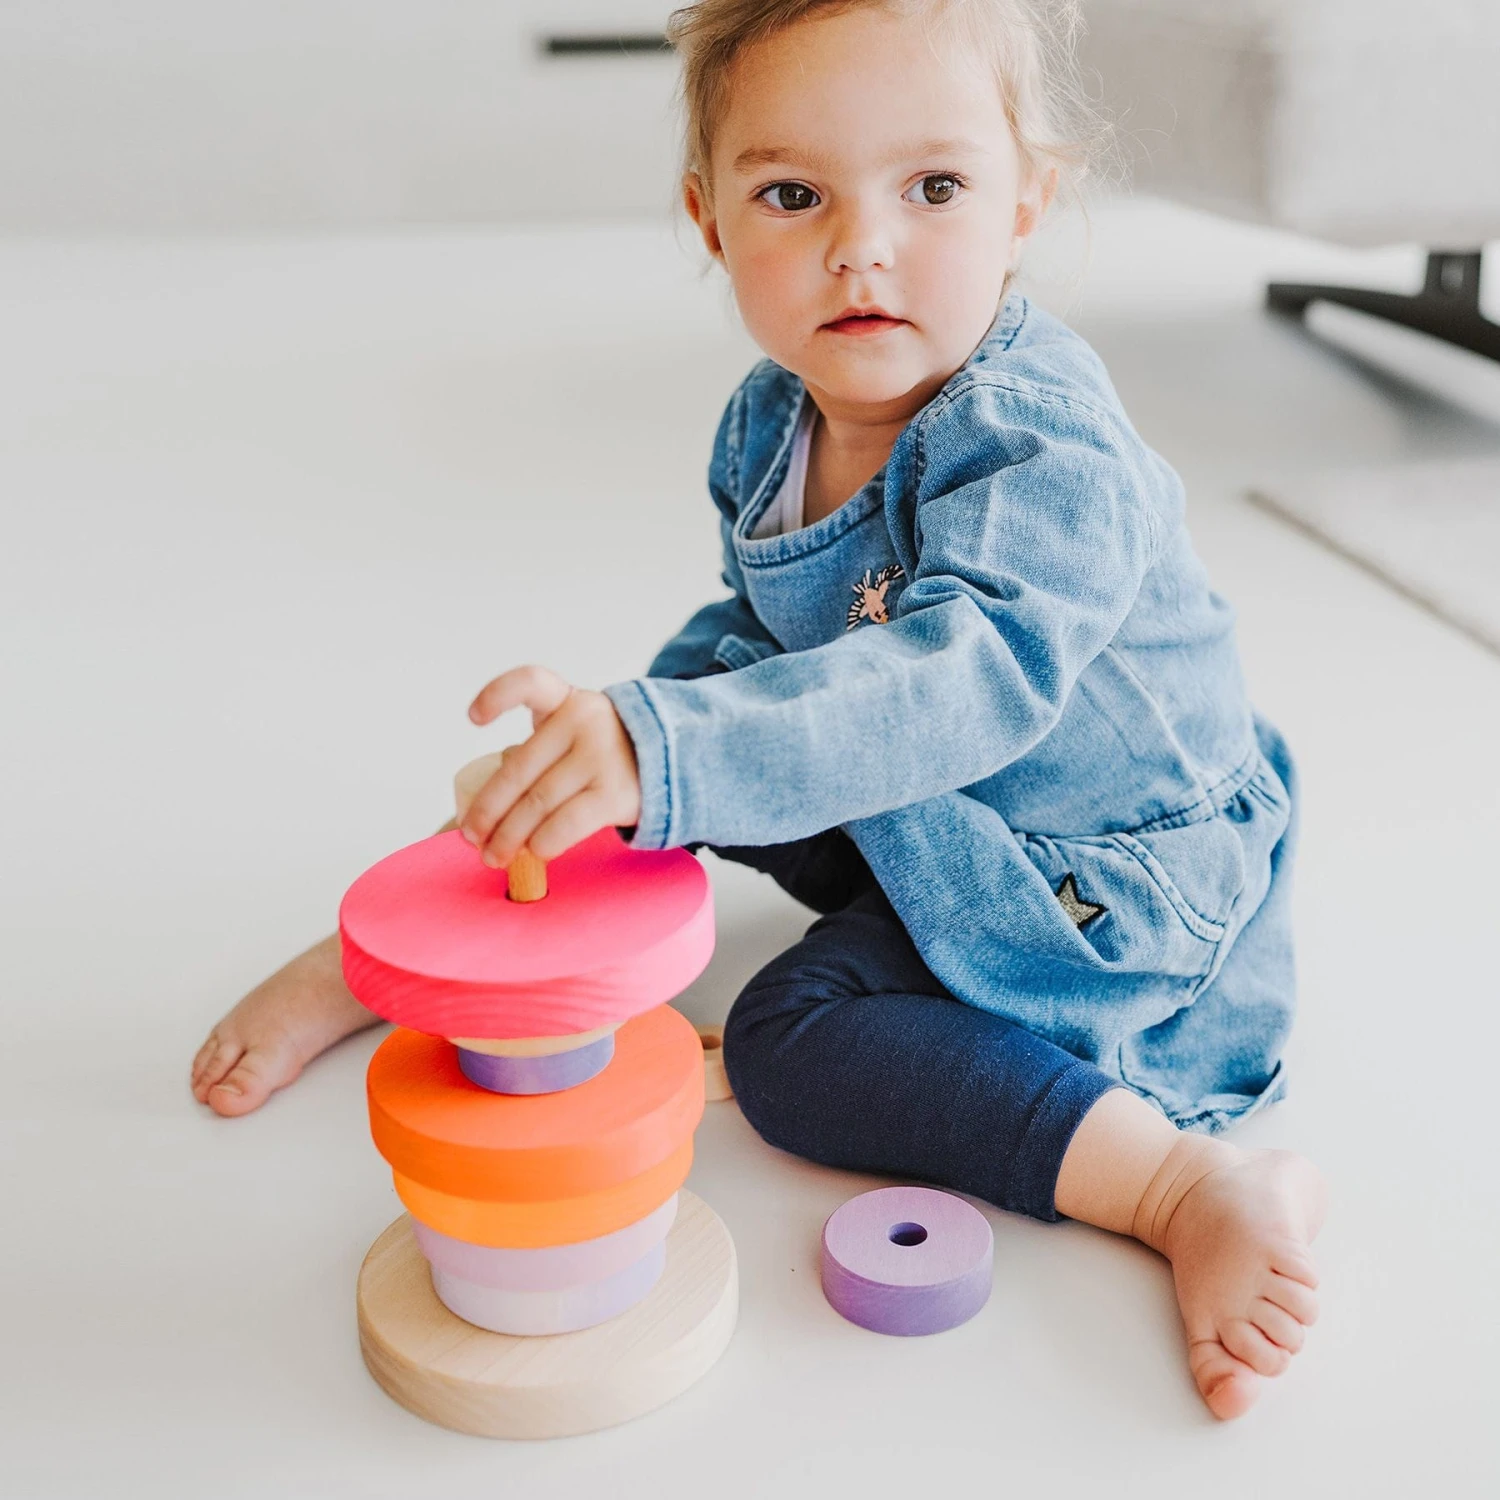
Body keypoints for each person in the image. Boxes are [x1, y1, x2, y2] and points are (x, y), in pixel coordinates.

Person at [192, 0, 1323, 1421]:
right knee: (672, 728)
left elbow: (968, 677)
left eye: (934, 189)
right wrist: (608, 747)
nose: (862, 247)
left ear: (1027, 202)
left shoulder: (1044, 442)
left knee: (792, 1032)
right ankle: (432, 937)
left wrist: (662, 748)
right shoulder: (768, 425)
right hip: (946, 821)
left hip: (1110, 886)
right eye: (795, 194)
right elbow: (756, 648)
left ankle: (1171, 1179)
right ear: (710, 220)